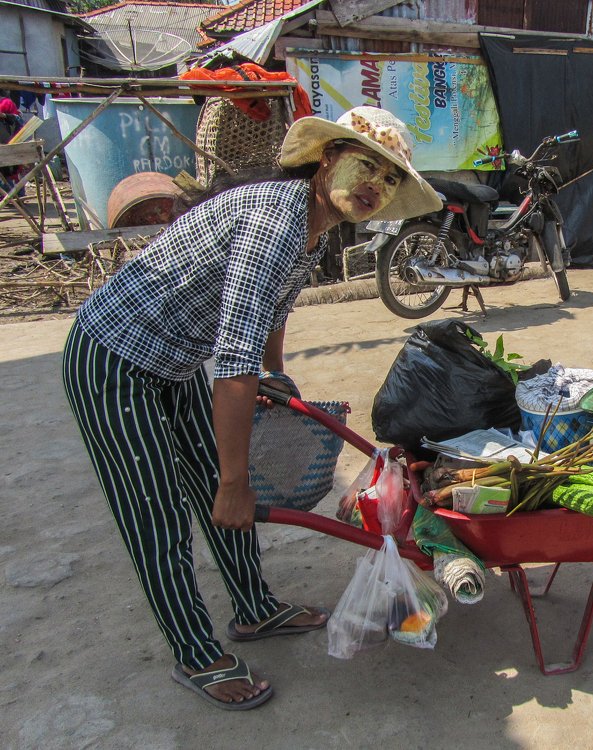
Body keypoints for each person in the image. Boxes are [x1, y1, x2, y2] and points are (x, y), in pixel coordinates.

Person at [61, 106, 441, 710]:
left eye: (390, 179)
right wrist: (237, 477)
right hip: (114, 358)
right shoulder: (274, 221)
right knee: (159, 512)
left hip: (176, 360)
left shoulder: (311, 224)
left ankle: (255, 609)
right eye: (366, 165)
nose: (376, 185)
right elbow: (232, 364)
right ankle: (193, 653)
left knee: (217, 484)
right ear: (327, 159)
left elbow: (273, 310)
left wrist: (276, 373)